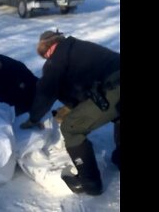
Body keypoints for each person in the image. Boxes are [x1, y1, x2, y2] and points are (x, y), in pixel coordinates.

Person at [20, 31, 120, 195]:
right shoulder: (77, 47)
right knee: (116, 113)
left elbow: (45, 92)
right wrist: (74, 107)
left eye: (45, 55)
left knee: (70, 128)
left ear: (48, 48)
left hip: (114, 87)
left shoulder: (57, 58)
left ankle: (89, 183)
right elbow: (83, 88)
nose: (46, 60)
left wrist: (33, 118)